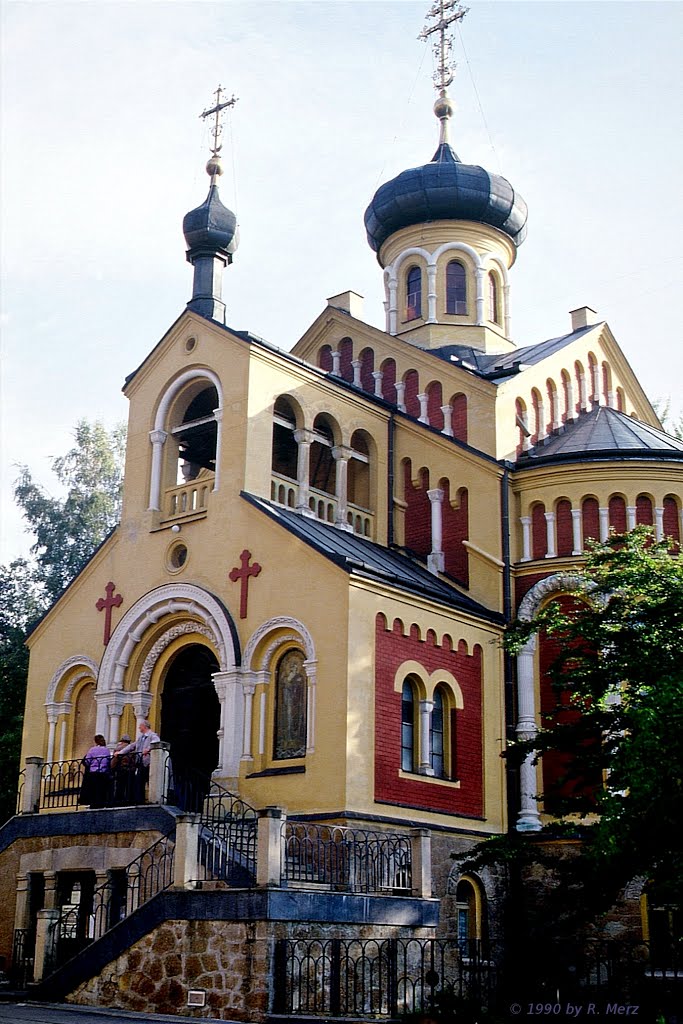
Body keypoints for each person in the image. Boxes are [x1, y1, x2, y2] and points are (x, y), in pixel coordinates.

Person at [112, 720, 160, 804]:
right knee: (139, 782)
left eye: (140, 726)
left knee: (150, 781)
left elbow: (156, 742)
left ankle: (154, 800)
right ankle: (139, 800)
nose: (139, 728)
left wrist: (148, 749)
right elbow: (131, 746)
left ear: (145, 726)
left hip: (149, 763)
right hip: (140, 763)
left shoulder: (152, 735)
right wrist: (120, 752)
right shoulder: (140, 738)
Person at [79, 734, 111, 808]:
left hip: (93, 772)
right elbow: (108, 760)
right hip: (103, 772)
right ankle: (101, 803)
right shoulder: (106, 750)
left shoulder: (92, 750)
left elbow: (87, 761)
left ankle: (93, 803)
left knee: (93, 789)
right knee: (101, 789)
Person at [111, 734, 135, 805]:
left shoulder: (118, 748)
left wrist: (112, 768)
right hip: (130, 769)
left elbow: (115, 760)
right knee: (129, 785)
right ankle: (129, 800)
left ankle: (119, 800)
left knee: (120, 785)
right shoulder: (132, 749)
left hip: (121, 769)